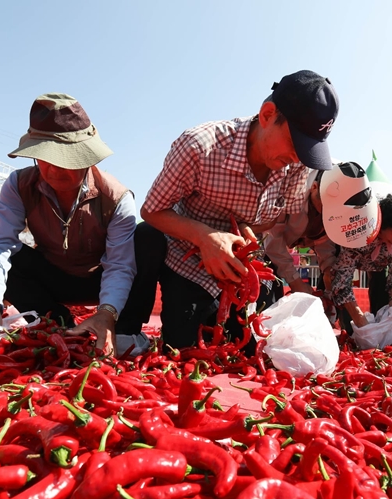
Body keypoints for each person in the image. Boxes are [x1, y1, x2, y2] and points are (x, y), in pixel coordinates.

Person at [130, 69, 340, 350]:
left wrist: (244, 230)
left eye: (307, 150)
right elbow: (152, 210)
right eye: (295, 143)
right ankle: (132, 324)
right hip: (189, 261)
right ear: (267, 115)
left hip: (243, 270)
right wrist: (205, 237)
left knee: (254, 348)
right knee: (185, 348)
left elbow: (277, 217)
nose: (296, 158)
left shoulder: (298, 165)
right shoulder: (200, 146)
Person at [0, 93, 137, 355]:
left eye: (66, 159)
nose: (53, 169)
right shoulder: (19, 185)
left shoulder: (116, 197)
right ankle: (57, 320)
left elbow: (119, 265)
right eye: (44, 158)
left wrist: (106, 312)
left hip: (97, 280)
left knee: (148, 239)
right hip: (51, 276)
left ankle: (124, 327)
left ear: (86, 157)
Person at [263, 162, 380, 312]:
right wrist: (294, 280)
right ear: (314, 188)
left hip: (282, 243)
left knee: (334, 270)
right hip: (263, 243)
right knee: (269, 299)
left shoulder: (340, 198)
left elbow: (324, 240)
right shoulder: (291, 185)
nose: (327, 215)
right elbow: (272, 238)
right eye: (325, 208)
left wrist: (328, 271)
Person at [331, 193, 392, 332]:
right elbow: (342, 277)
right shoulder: (360, 233)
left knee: (381, 292)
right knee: (335, 290)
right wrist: (358, 318)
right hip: (345, 259)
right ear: (383, 225)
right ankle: (347, 331)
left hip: (378, 267)